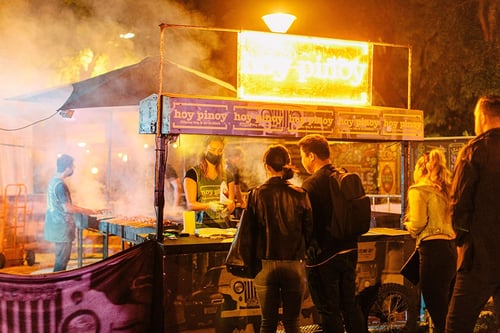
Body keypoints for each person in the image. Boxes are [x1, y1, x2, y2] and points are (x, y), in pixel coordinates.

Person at [297, 134, 365, 333]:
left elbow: (305, 223)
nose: (303, 161)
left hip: (323, 259)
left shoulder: (311, 185)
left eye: (303, 156)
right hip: (349, 251)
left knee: (329, 311)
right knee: (350, 306)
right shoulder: (343, 175)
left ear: (311, 156)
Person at [445, 95, 500, 333]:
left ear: (482, 117)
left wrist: (461, 242)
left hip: (480, 256)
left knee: (457, 324)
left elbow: (459, 203)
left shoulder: (474, 151)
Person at [248, 144, 313, 333]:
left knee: (267, 322)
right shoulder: (301, 194)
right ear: (287, 164)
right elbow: (309, 231)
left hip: (265, 265)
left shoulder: (256, 194)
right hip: (293, 263)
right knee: (292, 322)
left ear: (266, 166)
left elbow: (250, 232)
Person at [404, 149, 456, 333]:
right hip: (451, 250)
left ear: (420, 168)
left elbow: (418, 222)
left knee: (436, 306)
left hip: (432, 250)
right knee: (449, 309)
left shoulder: (418, 190)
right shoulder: (445, 189)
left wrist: (408, 225)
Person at [44, 154, 96, 272]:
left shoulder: (53, 181)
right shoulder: (60, 185)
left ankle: (56, 285)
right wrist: (87, 210)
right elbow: (67, 208)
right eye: (72, 166)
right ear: (67, 168)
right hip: (62, 227)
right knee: (61, 262)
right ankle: (56, 288)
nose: (73, 169)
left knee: (60, 258)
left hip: (55, 226)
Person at [183, 136, 235, 228]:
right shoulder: (193, 174)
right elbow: (190, 204)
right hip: (201, 228)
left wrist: (227, 209)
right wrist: (209, 205)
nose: (216, 153)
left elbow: (231, 203)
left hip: (223, 228)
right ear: (204, 149)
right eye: (213, 149)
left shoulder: (228, 175)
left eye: (220, 150)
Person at [225, 146, 247, 217]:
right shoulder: (233, 169)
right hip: (228, 204)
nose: (242, 160)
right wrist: (242, 203)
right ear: (234, 157)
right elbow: (236, 189)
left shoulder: (223, 166)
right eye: (241, 158)